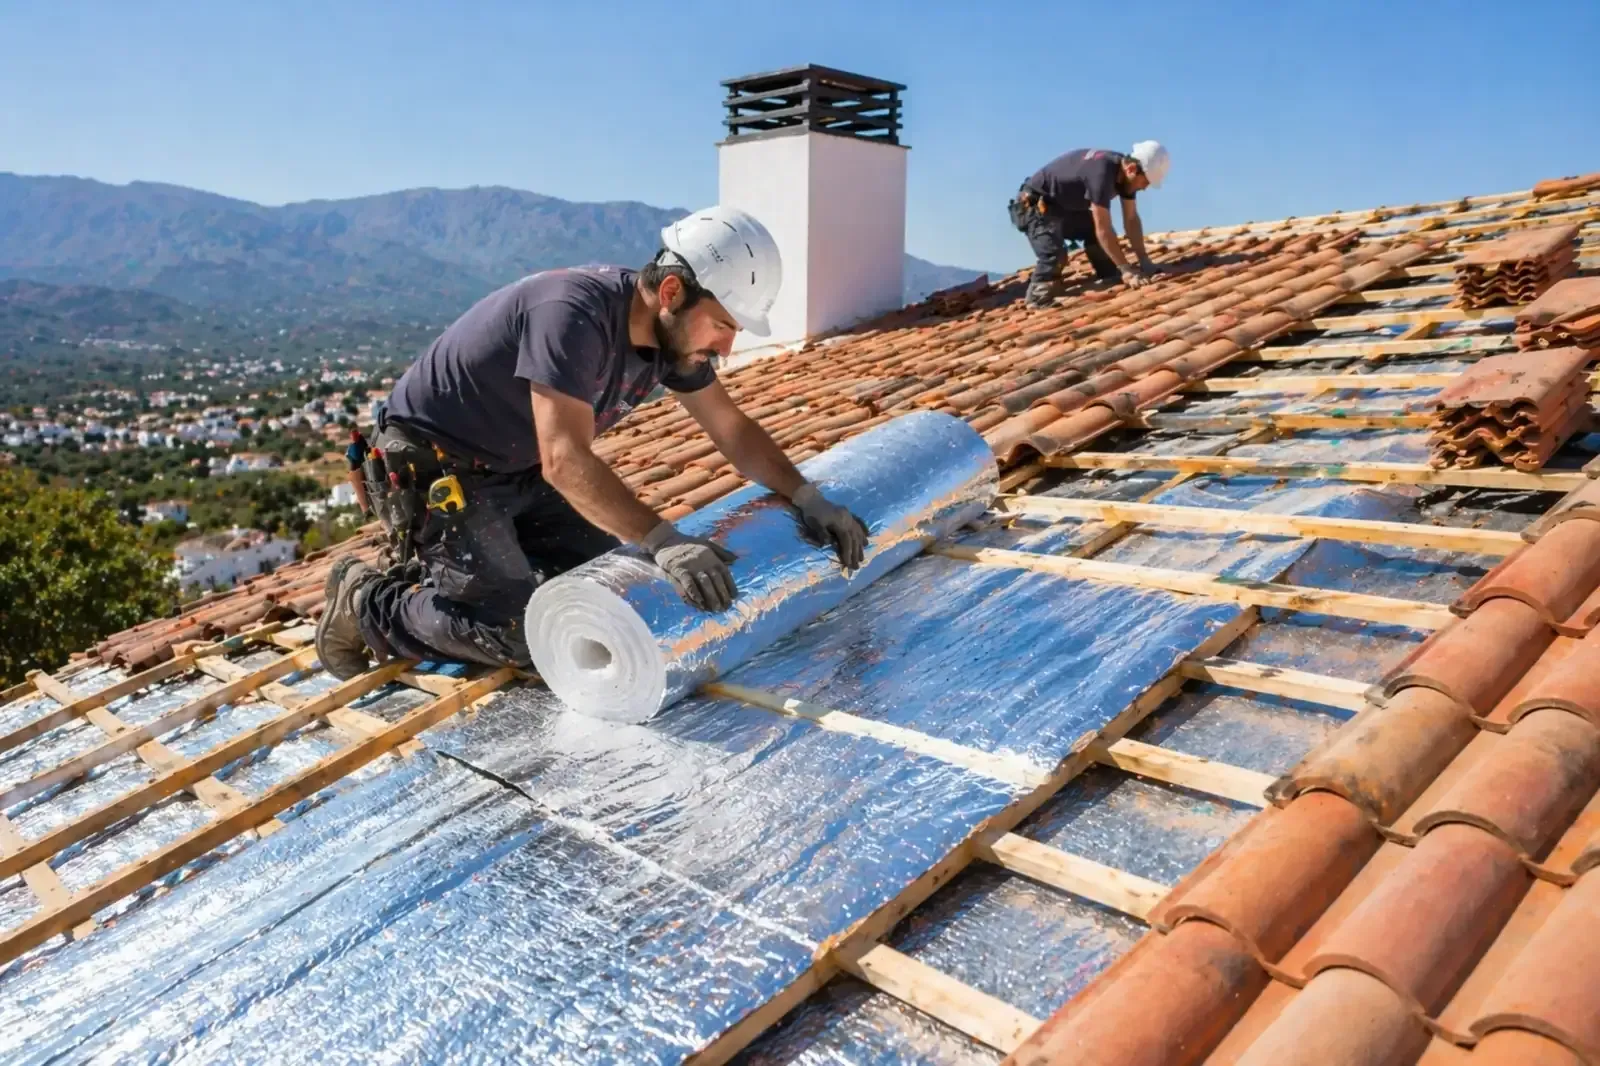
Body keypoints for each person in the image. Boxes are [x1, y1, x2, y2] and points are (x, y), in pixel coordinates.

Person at [314, 205, 870, 680]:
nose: (725, 347)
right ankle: (366, 600)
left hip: (518, 469)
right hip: (436, 470)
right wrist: (664, 537)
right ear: (671, 292)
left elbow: (732, 429)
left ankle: (453, 576)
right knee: (520, 633)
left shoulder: (668, 340)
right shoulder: (572, 315)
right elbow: (565, 460)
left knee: (611, 593)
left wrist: (806, 496)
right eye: (723, 325)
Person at [1009, 141, 1171, 308]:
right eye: (1145, 183)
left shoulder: (1125, 175)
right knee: (1055, 256)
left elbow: (1131, 219)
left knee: (1095, 233)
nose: (1144, 188)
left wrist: (1144, 259)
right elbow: (1103, 228)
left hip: (1064, 208)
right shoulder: (1101, 174)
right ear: (1131, 170)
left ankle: (1109, 274)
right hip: (1034, 208)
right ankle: (1037, 298)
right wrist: (1127, 269)